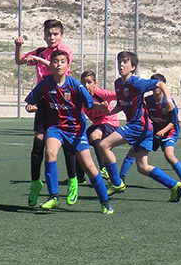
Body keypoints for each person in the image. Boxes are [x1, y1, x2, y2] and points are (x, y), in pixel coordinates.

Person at [23, 51, 114, 214]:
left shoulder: (75, 85)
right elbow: (30, 103)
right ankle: (54, 197)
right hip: (56, 128)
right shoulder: (45, 84)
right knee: (50, 152)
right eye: (55, 61)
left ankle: (105, 202)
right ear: (50, 65)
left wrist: (103, 108)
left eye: (62, 61)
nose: (58, 64)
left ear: (67, 66)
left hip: (76, 130)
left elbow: (91, 104)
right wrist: (30, 107)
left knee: (89, 166)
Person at [98, 51, 181, 202]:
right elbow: (121, 105)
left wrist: (169, 100)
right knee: (142, 167)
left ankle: (116, 183)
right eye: (120, 61)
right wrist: (110, 111)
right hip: (145, 129)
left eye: (125, 62)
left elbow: (160, 83)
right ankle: (175, 185)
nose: (121, 64)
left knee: (103, 145)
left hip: (138, 126)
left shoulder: (136, 82)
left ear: (132, 67)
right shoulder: (118, 84)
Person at [14, 19, 78, 207]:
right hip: (44, 101)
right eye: (49, 34)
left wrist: (39, 60)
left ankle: (73, 181)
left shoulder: (64, 52)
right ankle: (36, 183)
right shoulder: (41, 51)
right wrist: (18, 47)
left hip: (63, 102)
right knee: (38, 145)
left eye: (55, 34)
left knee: (67, 145)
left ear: (61, 36)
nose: (52, 37)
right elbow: (20, 60)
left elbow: (56, 69)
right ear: (44, 36)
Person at [79, 70, 119, 180]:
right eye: (84, 83)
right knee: (77, 142)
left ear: (95, 84)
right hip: (97, 125)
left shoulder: (101, 94)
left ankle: (104, 169)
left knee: (94, 136)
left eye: (89, 82)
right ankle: (79, 176)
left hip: (110, 123)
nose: (86, 85)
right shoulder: (81, 97)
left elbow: (119, 95)